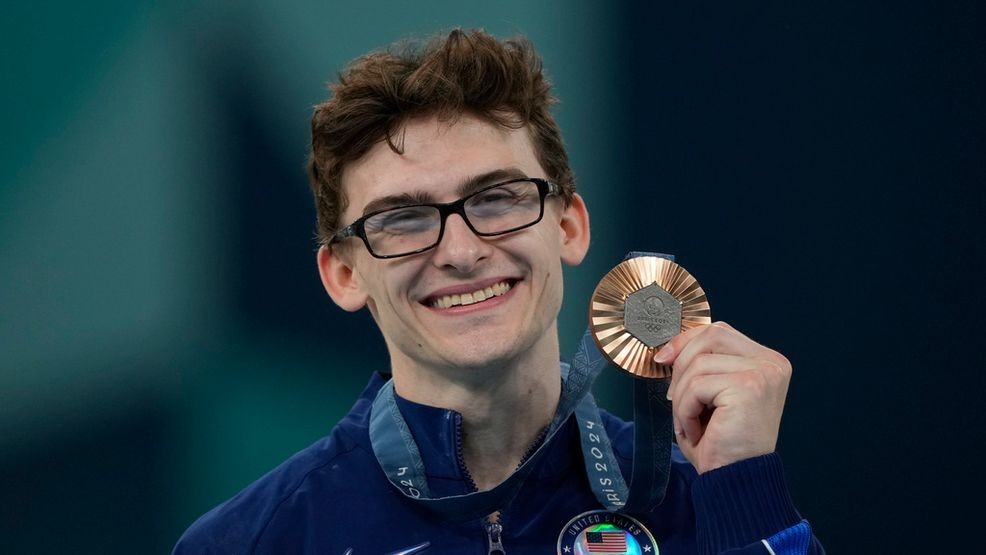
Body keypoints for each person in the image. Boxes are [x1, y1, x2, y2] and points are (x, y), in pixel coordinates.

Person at [174, 29, 824, 554]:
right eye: (402, 218)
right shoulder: (252, 541)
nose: (460, 251)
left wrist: (744, 491)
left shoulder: (706, 502)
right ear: (344, 274)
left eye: (497, 199)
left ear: (569, 226)